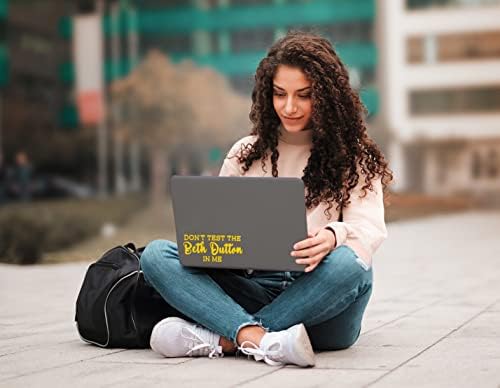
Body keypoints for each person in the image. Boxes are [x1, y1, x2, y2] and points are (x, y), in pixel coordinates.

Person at [140, 31, 393, 367]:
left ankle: (228, 338)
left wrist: (334, 235)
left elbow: (369, 228)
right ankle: (262, 340)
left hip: (322, 302)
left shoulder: (354, 157)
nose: (289, 107)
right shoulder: (245, 153)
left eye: (304, 95)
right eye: (279, 94)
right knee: (157, 255)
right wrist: (214, 245)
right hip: (253, 285)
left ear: (328, 96)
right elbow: (217, 228)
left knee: (354, 266)